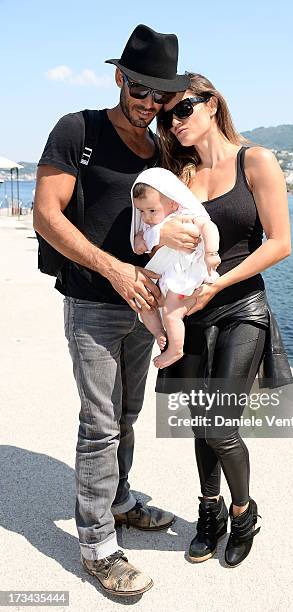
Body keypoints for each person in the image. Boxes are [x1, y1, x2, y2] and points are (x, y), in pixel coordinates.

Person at [33, 25, 200, 597]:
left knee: (126, 417)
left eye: (161, 97)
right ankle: (98, 543)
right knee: (101, 425)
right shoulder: (78, 129)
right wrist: (115, 269)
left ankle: (121, 499)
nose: (150, 105)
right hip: (94, 302)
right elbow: (46, 217)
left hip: (145, 306)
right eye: (140, 90)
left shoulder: (162, 150)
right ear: (118, 77)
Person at [155, 73, 293, 567]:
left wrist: (219, 283)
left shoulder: (255, 160)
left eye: (183, 110)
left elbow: (279, 243)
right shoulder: (180, 174)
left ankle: (242, 512)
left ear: (211, 104)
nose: (174, 123)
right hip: (191, 314)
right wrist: (163, 232)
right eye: (167, 117)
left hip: (241, 308)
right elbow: (150, 227)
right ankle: (207, 512)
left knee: (220, 426)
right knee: (200, 424)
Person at [130, 167, 220, 368]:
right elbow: (139, 244)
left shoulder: (186, 214)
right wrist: (140, 240)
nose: (146, 217)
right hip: (162, 273)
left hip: (184, 273)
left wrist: (211, 253)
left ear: (172, 202)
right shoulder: (150, 224)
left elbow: (208, 227)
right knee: (143, 304)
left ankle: (176, 349)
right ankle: (158, 333)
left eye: (152, 210)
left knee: (173, 312)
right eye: (141, 211)